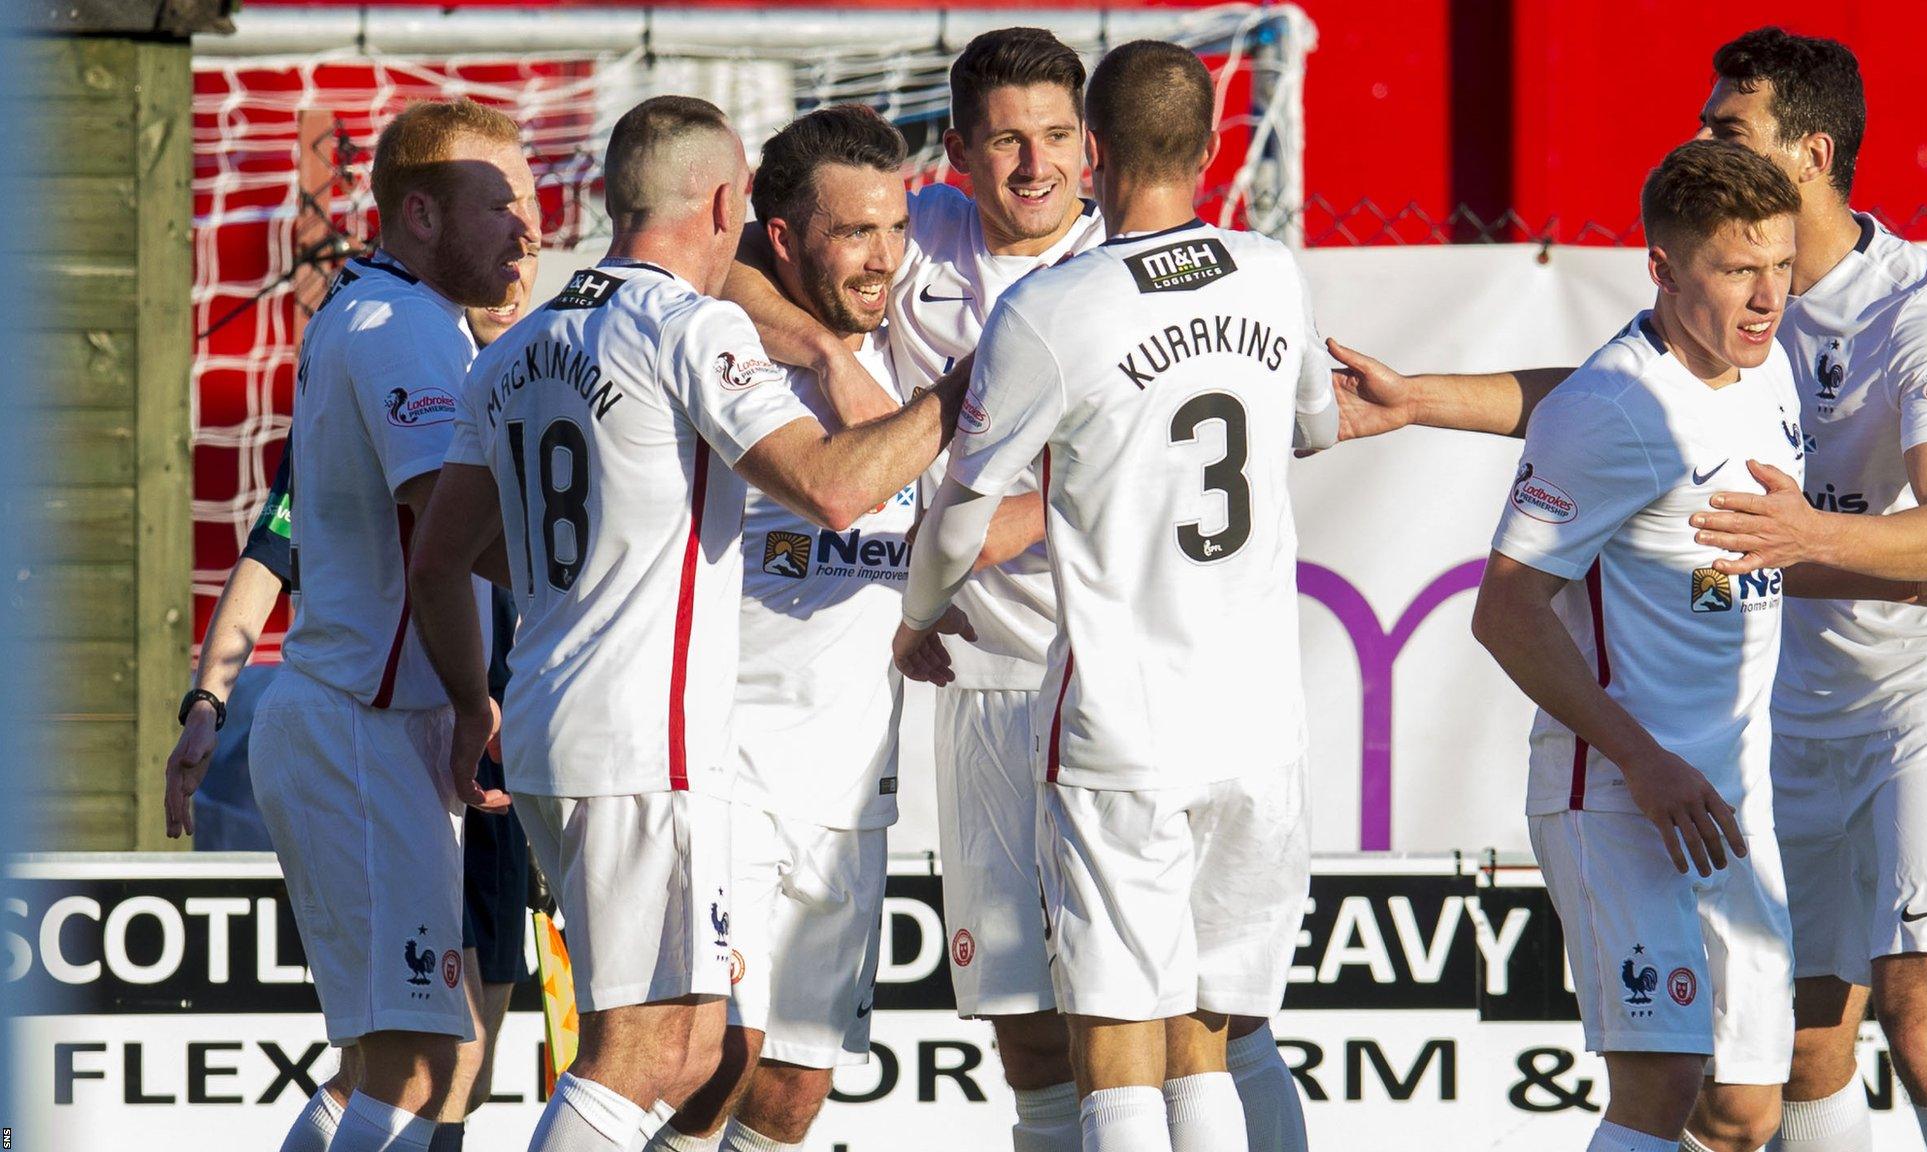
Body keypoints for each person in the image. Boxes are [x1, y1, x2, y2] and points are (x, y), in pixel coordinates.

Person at [1326, 29, 1927, 1152]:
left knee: (1920, 1014)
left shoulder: (1915, 314)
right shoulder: (1726, 284)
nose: (1697, 137)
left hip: (1925, 686)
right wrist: (1423, 398)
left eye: (1725, 124)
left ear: (1808, 153)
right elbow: (1625, 406)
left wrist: (1852, 538)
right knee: (1791, 1057)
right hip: (1780, 713)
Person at [725, 28, 1311, 1152]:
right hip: (989, 686)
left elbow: (1181, 462)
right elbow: (739, 263)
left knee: (1201, 1023)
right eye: (1003, 142)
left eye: (1053, 138)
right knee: (1031, 1032)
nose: (1032, 167)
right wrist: (830, 353)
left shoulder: (1120, 273)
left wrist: (1009, 526)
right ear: (953, 153)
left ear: (1091, 152)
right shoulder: (918, 232)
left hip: (1115, 678)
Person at [403, 95, 971, 1152]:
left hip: (545, 728)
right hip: (644, 743)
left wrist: (473, 697)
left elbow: (442, 558)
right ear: (725, 202)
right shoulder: (686, 325)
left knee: (693, 1047)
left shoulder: (520, 345)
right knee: (642, 1058)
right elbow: (833, 489)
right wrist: (966, 387)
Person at [893, 40, 1335, 1152]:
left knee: (1119, 1050)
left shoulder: (1055, 308)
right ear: (1210, 146)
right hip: (1256, 728)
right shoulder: (1272, 270)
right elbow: (1313, 427)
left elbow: (953, 516)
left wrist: (911, 620)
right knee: (1212, 1034)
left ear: (1091, 151)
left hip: (1117, 723)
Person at [1474, 139, 1806, 1152]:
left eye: (1780, 267)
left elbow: (1731, 562)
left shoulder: (1768, 367)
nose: (1765, 298)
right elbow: (1505, 610)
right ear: (1660, 268)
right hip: (1619, 797)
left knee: (1743, 1110)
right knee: (1658, 1082)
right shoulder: (1608, 406)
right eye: (1735, 269)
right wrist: (1640, 759)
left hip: (1726, 800)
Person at [164, 254, 537, 1152]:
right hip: (420, 742)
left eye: (527, 251)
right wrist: (209, 699)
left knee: (464, 1068)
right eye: (498, 237)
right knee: (422, 1061)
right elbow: (273, 544)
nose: (513, 268)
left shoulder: (543, 385)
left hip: (508, 759)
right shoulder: (383, 389)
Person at [243, 97, 538, 1152]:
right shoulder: (405, 327)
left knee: (395, 1068)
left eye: (528, 197)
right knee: (423, 1070)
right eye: (496, 202)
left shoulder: (380, 312)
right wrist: (476, 698)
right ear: (417, 213)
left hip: (361, 725)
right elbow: (443, 544)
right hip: (369, 732)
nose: (526, 224)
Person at [648, 103, 920, 1152]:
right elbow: (703, 277)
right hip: (730, 772)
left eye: (893, 229)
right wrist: (819, 349)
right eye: (853, 232)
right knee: (714, 1064)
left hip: (851, 785)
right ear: (779, 237)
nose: (882, 257)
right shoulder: (727, 350)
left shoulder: (912, 335)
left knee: (793, 1096)